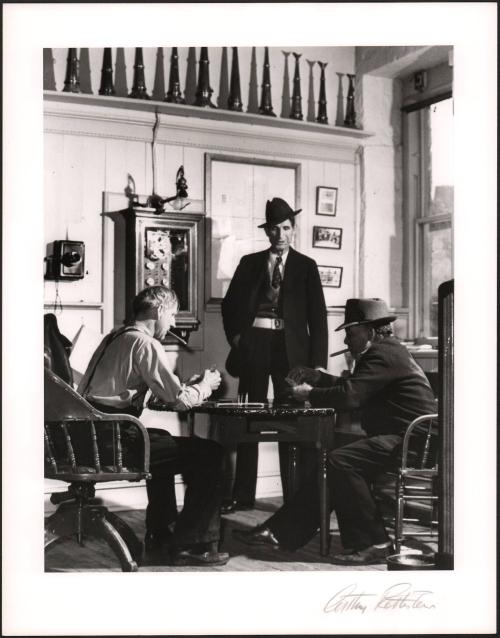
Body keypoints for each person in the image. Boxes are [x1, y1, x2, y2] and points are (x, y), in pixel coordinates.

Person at [232, 298, 437, 565]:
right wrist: (317, 377)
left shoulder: (382, 354)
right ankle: (278, 532)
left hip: (412, 443)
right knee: (332, 463)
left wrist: (310, 394)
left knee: (339, 461)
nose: (346, 341)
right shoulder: (387, 351)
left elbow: (350, 397)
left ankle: (375, 542)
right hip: (406, 438)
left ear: (371, 331)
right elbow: (356, 387)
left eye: (351, 333)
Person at [77, 285, 229, 566]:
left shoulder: (115, 337)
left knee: (158, 438)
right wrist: (205, 386)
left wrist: (186, 387)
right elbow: (181, 402)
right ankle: (191, 544)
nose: (172, 323)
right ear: (159, 311)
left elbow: (156, 390)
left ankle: (160, 532)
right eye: (171, 315)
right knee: (211, 453)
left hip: (89, 437)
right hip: (113, 442)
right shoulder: (146, 344)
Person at [220, 197, 328, 513]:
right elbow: (229, 307)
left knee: (290, 417)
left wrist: (316, 366)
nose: (279, 234)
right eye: (273, 229)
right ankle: (242, 495)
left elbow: (318, 318)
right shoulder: (249, 263)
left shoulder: (306, 266)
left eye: (285, 228)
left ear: (293, 229)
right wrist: (238, 338)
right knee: (248, 417)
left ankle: (294, 496)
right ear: (266, 232)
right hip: (255, 344)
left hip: (292, 350)